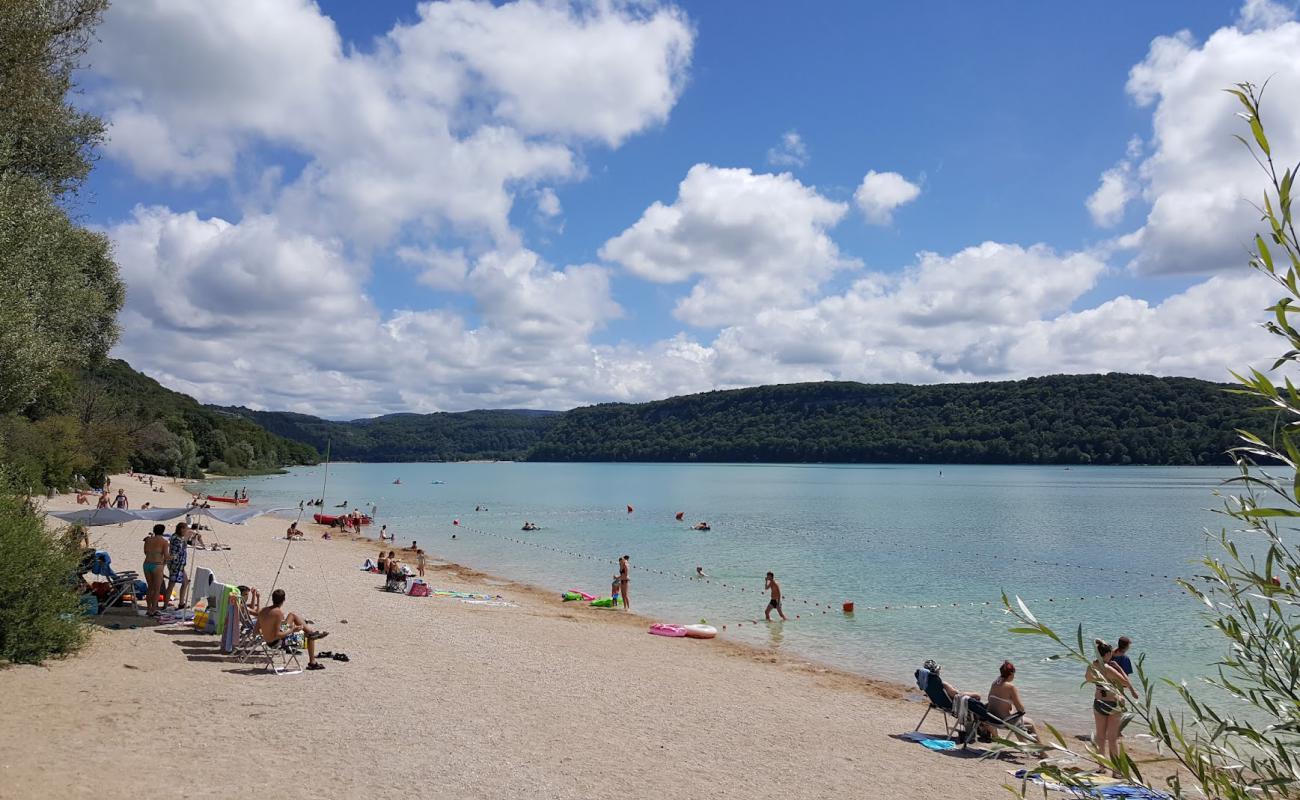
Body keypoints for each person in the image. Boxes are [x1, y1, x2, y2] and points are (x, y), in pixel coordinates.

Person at [1088, 639, 1138, 770]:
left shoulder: (1092, 666)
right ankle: (1116, 770)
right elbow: (1125, 683)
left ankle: (1101, 767)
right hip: (1112, 703)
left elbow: (1087, 678)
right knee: (1112, 739)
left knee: (1100, 737)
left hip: (1098, 702)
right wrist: (1118, 669)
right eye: (1110, 653)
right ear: (1107, 655)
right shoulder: (1109, 669)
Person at [256, 589, 328, 670]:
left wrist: (267, 632)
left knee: (292, 615)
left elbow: (255, 631)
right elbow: (278, 634)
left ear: (272, 599)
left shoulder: (262, 611)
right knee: (310, 637)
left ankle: (311, 633)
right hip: (278, 642)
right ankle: (312, 663)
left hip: (269, 641)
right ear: (284, 600)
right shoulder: (278, 613)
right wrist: (292, 630)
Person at [985, 661, 1037, 739]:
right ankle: (1041, 750)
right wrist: (1012, 708)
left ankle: (1024, 746)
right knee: (1030, 722)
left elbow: (990, 699)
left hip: (992, 719)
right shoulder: (1010, 687)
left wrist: (1008, 705)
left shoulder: (994, 683)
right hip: (1004, 721)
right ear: (1011, 674)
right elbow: (1021, 709)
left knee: (1016, 721)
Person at [142, 524, 169, 617]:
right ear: (163, 531)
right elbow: (166, 556)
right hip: (157, 565)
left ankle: (148, 609)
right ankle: (154, 609)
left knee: (150, 587)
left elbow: (145, 552)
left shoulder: (148, 540)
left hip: (147, 564)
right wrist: (173, 557)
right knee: (157, 589)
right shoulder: (164, 542)